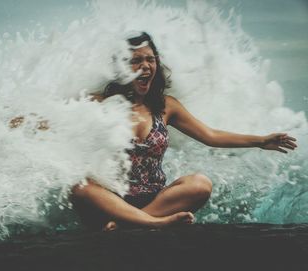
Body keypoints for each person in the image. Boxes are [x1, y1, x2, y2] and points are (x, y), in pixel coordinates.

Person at [70, 32, 298, 231]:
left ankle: (128, 224)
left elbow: (211, 135)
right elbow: (58, 123)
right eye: (136, 60)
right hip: (112, 202)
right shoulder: (99, 103)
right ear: (120, 67)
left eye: (150, 59)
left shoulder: (166, 106)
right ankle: (152, 223)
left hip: (156, 200)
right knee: (82, 187)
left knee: (200, 183)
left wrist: (260, 141)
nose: (146, 66)